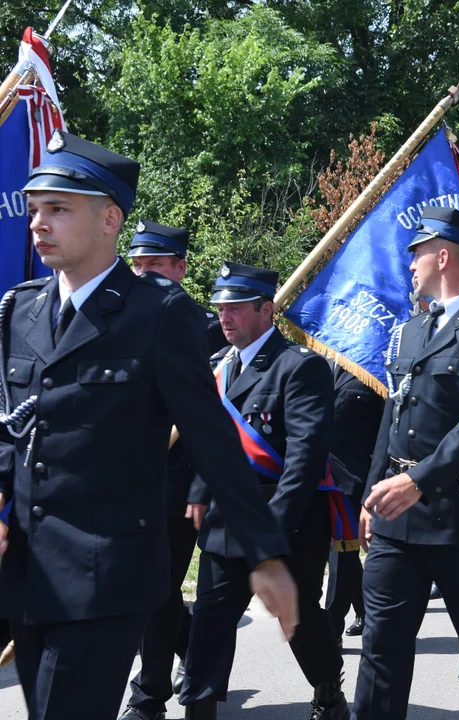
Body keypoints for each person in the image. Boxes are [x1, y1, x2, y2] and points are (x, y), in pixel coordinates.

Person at [0, 130, 296, 720]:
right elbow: (13, 432)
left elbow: (213, 438)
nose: (38, 223)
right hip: (28, 573)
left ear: (111, 219)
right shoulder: (19, 309)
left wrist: (264, 556)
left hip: (106, 575)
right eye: (35, 209)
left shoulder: (159, 315)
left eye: (58, 209)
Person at [354, 207, 459, 720]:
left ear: (444, 254)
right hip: (397, 518)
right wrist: (374, 491)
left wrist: (418, 479)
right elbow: (394, 413)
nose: (410, 262)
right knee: (380, 650)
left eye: (417, 251)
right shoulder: (411, 331)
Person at [180, 262, 347, 720]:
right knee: (209, 624)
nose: (225, 318)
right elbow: (211, 442)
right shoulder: (220, 369)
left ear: (266, 310)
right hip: (224, 518)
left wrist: (269, 535)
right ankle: (200, 710)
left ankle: (329, 690)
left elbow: (305, 461)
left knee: (300, 619)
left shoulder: (300, 367)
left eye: (235, 308)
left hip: (285, 521)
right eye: (220, 308)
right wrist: (199, 489)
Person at [121, 220, 228, 720]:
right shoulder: (116, 322)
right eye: (138, 265)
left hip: (182, 484)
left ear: (181, 269)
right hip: (126, 481)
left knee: (160, 588)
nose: (144, 273)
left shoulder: (207, 331)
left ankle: (149, 697)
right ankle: (197, 661)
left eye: (156, 265)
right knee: (150, 590)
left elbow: (217, 417)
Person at [325, 363, 385, 642]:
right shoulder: (318, 362)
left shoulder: (373, 368)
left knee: (341, 552)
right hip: (319, 474)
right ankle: (363, 608)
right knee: (340, 552)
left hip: (355, 478)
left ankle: (331, 627)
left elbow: (385, 432)